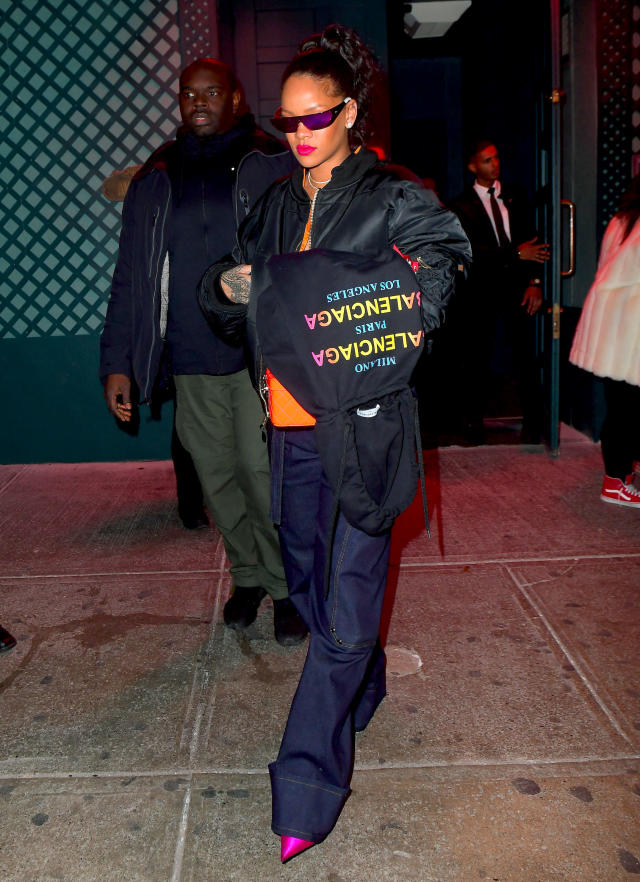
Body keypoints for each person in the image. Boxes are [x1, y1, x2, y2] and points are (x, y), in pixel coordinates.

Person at [199, 24, 471, 860]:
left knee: (347, 608)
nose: (300, 136)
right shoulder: (278, 202)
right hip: (290, 432)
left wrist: (402, 322)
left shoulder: (392, 192)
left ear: (350, 113)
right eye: (287, 122)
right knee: (314, 590)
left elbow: (443, 259)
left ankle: (306, 787)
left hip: (364, 431)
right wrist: (228, 287)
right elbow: (228, 301)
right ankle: (364, 678)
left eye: (315, 120)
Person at [99, 58, 307, 645]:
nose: (198, 102)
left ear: (236, 98)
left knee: (260, 472)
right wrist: (117, 361)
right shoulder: (157, 177)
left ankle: (286, 584)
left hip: (257, 353)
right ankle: (247, 576)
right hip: (189, 354)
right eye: (189, 93)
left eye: (211, 92)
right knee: (216, 477)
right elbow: (130, 278)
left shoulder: (276, 163)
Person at [101, 166, 208, 532]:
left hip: (216, 327)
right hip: (173, 332)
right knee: (187, 422)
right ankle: (191, 505)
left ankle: (204, 505)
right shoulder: (157, 180)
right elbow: (111, 187)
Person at [449, 140, 550, 443]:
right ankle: (472, 424)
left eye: (496, 158)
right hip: (481, 291)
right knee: (476, 358)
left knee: (526, 357)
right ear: (472, 166)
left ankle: (534, 423)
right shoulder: (461, 205)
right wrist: (515, 255)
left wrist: (535, 284)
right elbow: (470, 251)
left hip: (518, 288)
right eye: (486, 160)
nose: (494, 164)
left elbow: (533, 245)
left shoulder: (515, 196)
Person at [569, 174, 640, 507]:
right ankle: (615, 481)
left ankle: (621, 473)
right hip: (629, 330)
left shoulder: (621, 220)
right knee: (627, 409)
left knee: (622, 406)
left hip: (615, 327)